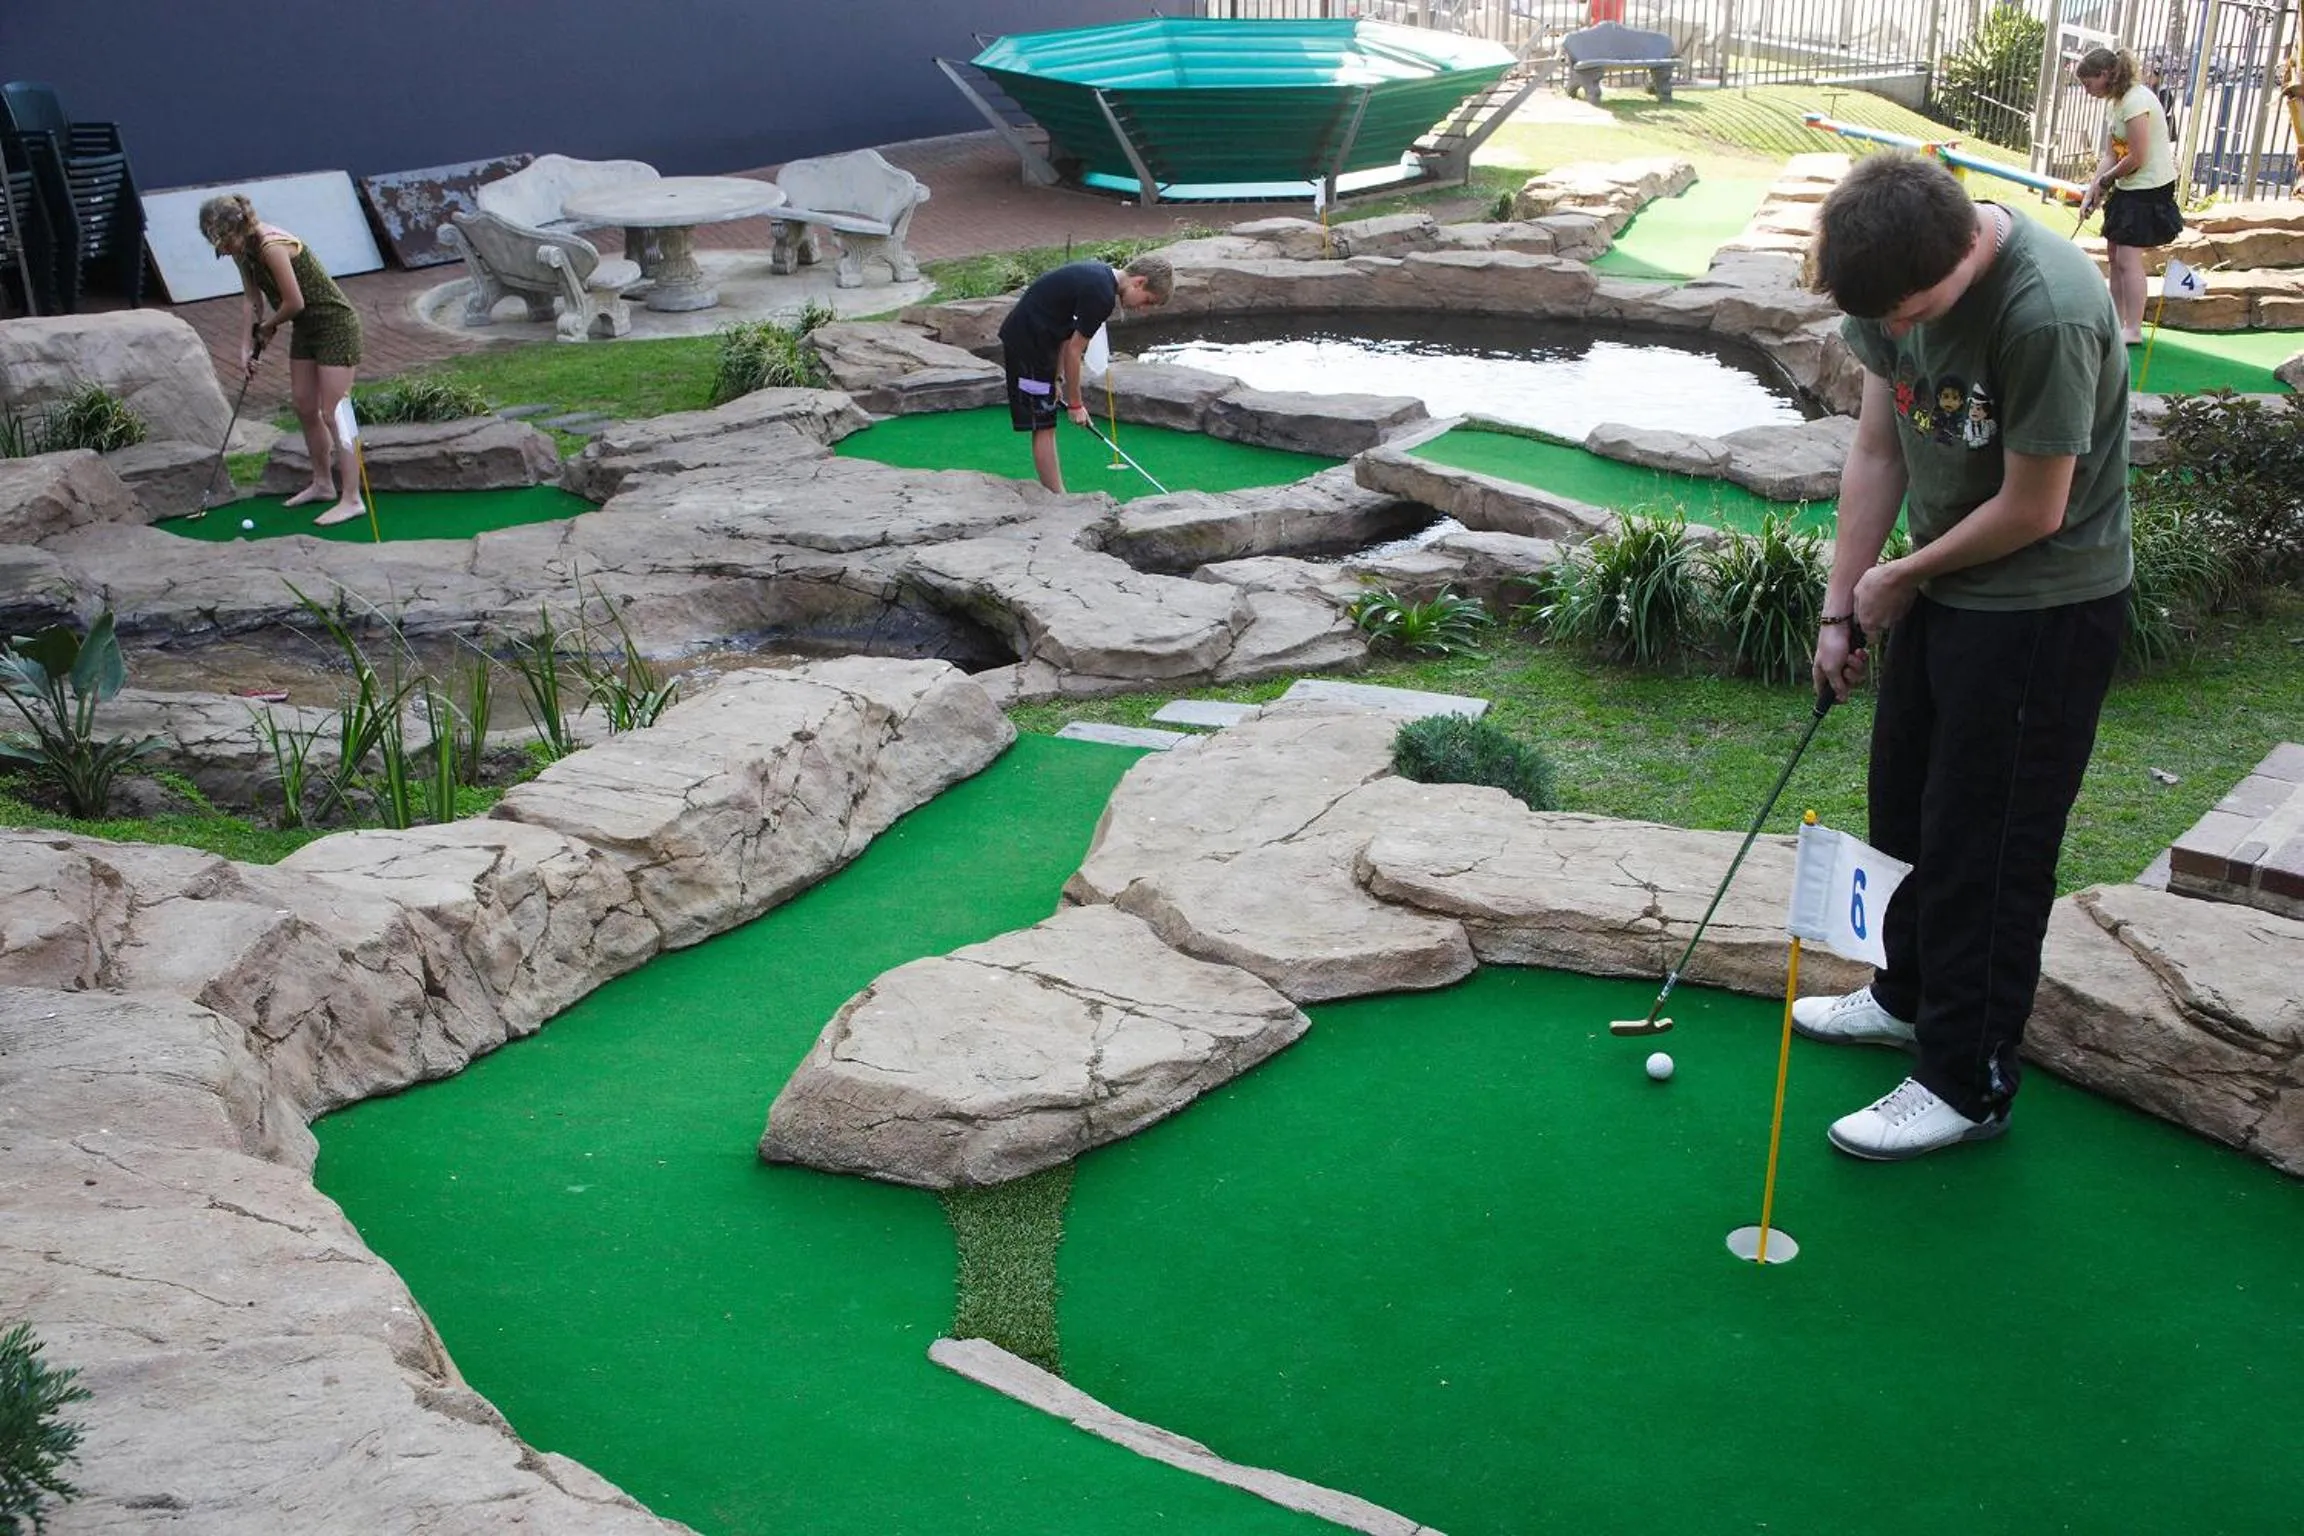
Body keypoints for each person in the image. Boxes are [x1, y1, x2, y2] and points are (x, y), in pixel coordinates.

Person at [1795, 152, 2132, 1161]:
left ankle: (1966, 1080)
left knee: (1987, 849)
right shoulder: (1889, 278)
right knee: (1906, 810)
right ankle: (1906, 996)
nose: (1900, 336)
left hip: (2043, 608)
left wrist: (1900, 576)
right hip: (1945, 588)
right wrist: (1840, 609)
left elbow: (2037, 507)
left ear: (1962, 256)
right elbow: (1878, 451)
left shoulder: (2046, 311)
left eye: (1913, 314)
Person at [198, 193, 367, 526]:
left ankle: (352, 498)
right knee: (304, 406)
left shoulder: (271, 246)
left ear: (237, 229)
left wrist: (268, 328)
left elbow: (294, 302)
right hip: (305, 328)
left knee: (335, 412)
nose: (224, 250)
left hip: (335, 324)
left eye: (224, 242)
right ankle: (323, 484)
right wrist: (246, 346)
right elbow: (252, 299)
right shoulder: (242, 251)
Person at [997, 255, 1173, 493]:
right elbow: (1074, 351)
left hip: (1038, 340)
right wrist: (1076, 405)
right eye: (1147, 301)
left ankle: (1057, 494)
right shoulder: (1101, 295)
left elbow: (1065, 332)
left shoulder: (1100, 277)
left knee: (1045, 418)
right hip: (1028, 345)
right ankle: (1058, 498)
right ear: (1139, 282)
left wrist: (1057, 378)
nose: (1142, 309)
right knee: (1043, 423)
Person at [2074, 46, 2185, 345]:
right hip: (2129, 183)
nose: (2086, 91)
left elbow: (2137, 156)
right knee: (2114, 254)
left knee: (2127, 257)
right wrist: (2092, 190)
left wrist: (2107, 181)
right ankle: (2114, 320)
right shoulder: (2116, 103)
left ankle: (2133, 329)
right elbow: (2111, 155)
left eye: (2088, 84)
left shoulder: (2137, 101)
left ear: (2105, 74)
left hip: (2150, 186)